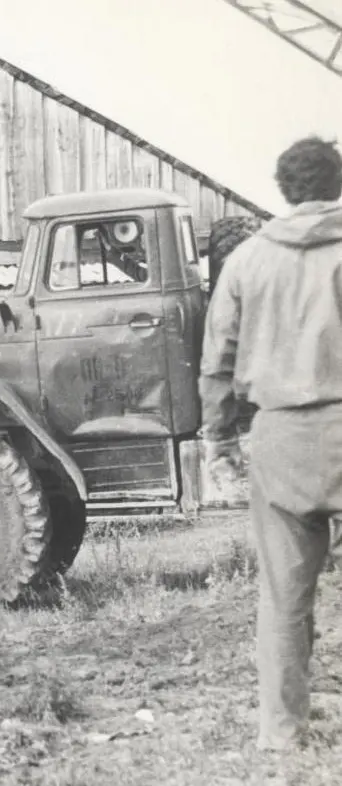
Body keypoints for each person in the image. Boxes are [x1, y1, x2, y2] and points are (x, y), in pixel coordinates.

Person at [199, 135, 342, 751]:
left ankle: (282, 731)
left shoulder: (247, 261)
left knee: (284, 593)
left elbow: (217, 363)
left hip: (279, 434)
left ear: (283, 190)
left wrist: (219, 441)